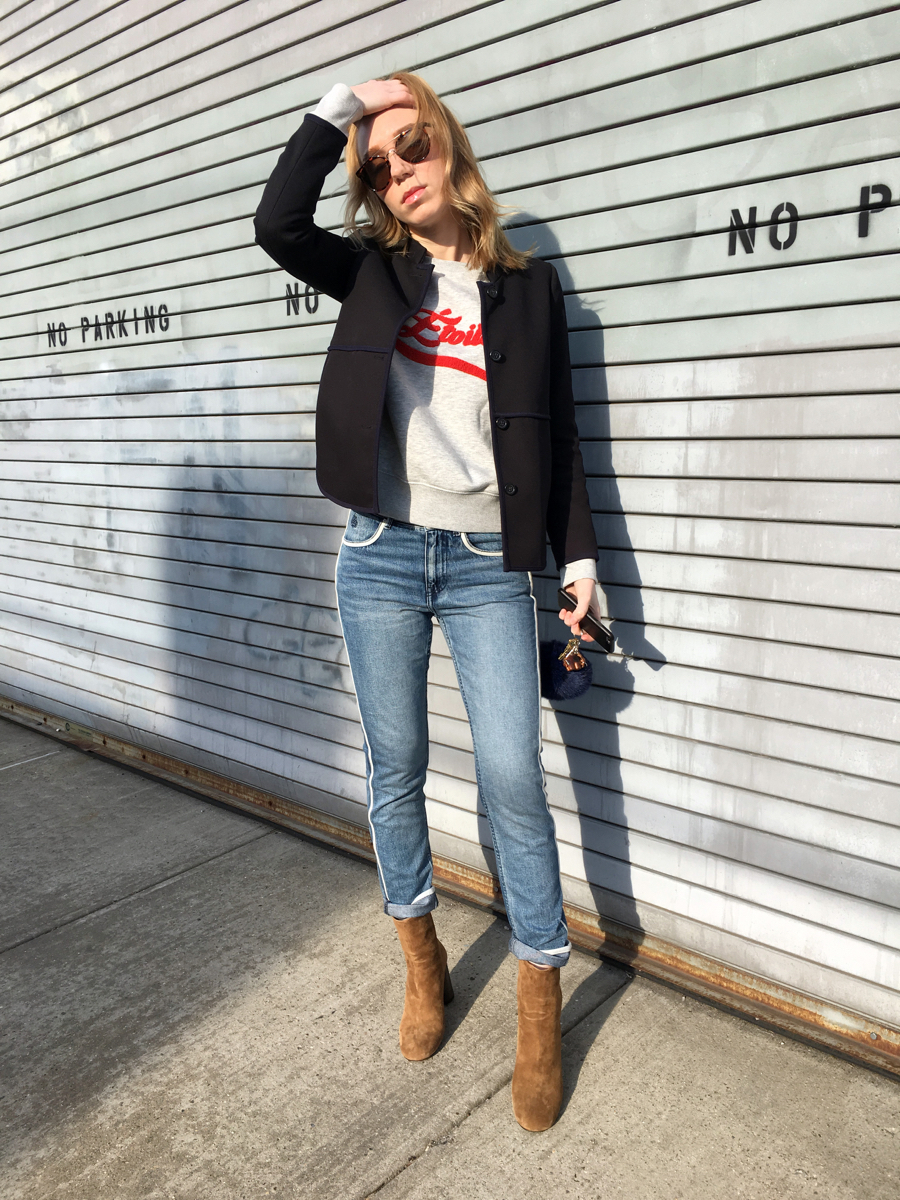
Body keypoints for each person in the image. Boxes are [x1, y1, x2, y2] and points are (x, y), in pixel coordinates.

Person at [254, 72, 602, 1132]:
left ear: (449, 147)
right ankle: (420, 955)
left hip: (496, 560)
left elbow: (561, 429)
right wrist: (340, 106)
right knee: (394, 765)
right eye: (378, 165)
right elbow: (275, 220)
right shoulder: (369, 271)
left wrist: (578, 560)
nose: (398, 170)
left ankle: (539, 988)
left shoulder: (529, 288)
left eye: (412, 147)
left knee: (510, 773)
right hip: (383, 554)